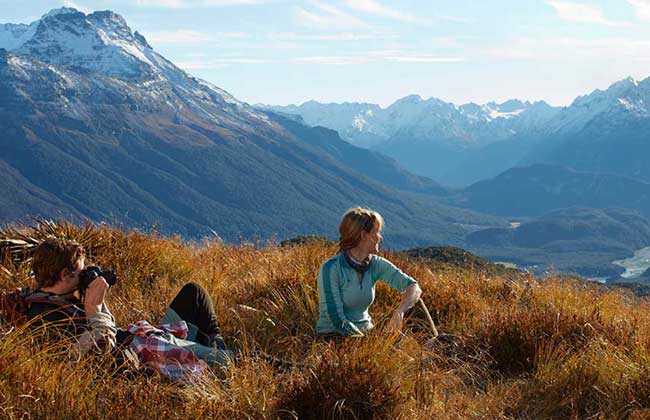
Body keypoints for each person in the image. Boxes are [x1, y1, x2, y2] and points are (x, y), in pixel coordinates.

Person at [25, 237, 232, 378]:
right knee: (233, 362)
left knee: (193, 293)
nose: (82, 277)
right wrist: (93, 307)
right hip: (147, 354)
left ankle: (212, 344)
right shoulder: (50, 319)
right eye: (80, 272)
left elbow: (111, 327)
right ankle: (213, 351)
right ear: (63, 275)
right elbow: (102, 352)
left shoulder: (50, 300)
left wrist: (94, 300)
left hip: (141, 340)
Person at [316, 207, 422, 337]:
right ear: (363, 236)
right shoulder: (331, 268)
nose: (380, 238)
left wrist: (400, 311)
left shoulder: (375, 264)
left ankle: (433, 348)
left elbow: (413, 286)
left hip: (367, 334)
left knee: (415, 304)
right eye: (376, 232)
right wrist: (366, 341)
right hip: (335, 336)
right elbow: (336, 319)